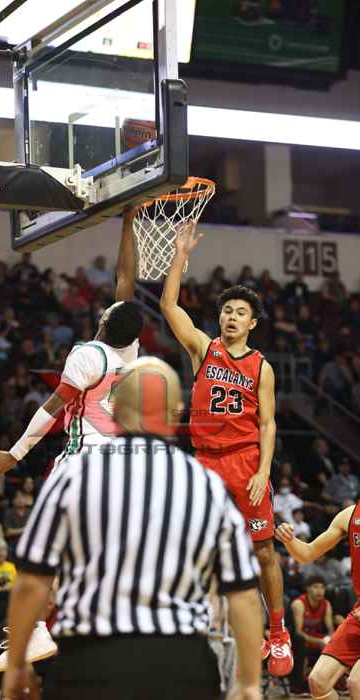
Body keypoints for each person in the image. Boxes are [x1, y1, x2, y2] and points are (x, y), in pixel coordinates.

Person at [3, 357, 263, 700]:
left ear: (114, 411)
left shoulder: (73, 476)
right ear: (176, 414)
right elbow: (243, 593)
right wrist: (250, 682)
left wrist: (17, 665)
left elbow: (31, 581)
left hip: (89, 663)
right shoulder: (205, 485)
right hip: (181, 665)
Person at [0, 208, 142, 670]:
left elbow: (52, 408)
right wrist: (128, 225)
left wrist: (15, 453)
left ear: (105, 322)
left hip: (83, 464)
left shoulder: (87, 355)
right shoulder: (131, 351)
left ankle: (34, 629)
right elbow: (126, 281)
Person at [159, 222, 292, 676]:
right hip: (205, 462)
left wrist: (263, 471)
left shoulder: (262, 367)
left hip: (245, 462)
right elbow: (169, 305)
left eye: (241, 313)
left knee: (264, 552)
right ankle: (193, 629)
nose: (232, 317)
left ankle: (278, 633)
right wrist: (180, 254)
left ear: (252, 323)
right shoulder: (203, 348)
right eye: (227, 310)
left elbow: (268, 424)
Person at [276, 502, 360, 700]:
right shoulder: (350, 515)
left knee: (356, 683)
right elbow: (307, 553)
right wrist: (289, 540)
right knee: (318, 682)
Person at [290, 576, 334, 694]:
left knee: (334, 643)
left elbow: (330, 630)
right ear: (308, 588)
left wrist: (330, 640)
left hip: (316, 636)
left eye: (322, 587)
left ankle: (334, 682)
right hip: (300, 638)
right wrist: (318, 641)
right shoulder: (299, 603)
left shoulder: (326, 604)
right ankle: (298, 685)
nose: (319, 591)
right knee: (300, 641)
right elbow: (298, 631)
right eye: (315, 587)